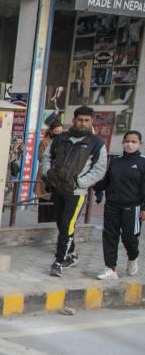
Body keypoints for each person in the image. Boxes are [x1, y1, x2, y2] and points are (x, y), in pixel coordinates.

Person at [40, 105, 108, 277]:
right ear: (74, 120)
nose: (83, 123)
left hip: (76, 193)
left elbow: (99, 169)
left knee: (66, 225)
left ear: (91, 121)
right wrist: (48, 172)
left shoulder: (97, 143)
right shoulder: (60, 138)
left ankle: (58, 262)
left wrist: (80, 183)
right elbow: (46, 156)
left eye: (87, 120)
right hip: (58, 188)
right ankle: (73, 254)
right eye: (80, 120)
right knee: (61, 223)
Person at [93, 130, 145, 279]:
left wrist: (144, 208)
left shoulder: (142, 162)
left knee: (130, 238)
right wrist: (93, 184)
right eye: (127, 141)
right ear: (123, 142)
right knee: (110, 236)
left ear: (139, 143)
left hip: (132, 207)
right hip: (112, 206)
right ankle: (110, 268)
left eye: (133, 141)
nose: (130, 144)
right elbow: (107, 181)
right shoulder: (116, 161)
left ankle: (133, 257)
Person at [35, 116, 64, 223]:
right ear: (51, 131)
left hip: (57, 177)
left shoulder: (62, 142)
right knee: (44, 203)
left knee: (54, 205)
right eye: (56, 131)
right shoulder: (45, 142)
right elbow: (40, 157)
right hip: (45, 176)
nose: (58, 134)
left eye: (61, 132)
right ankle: (43, 223)